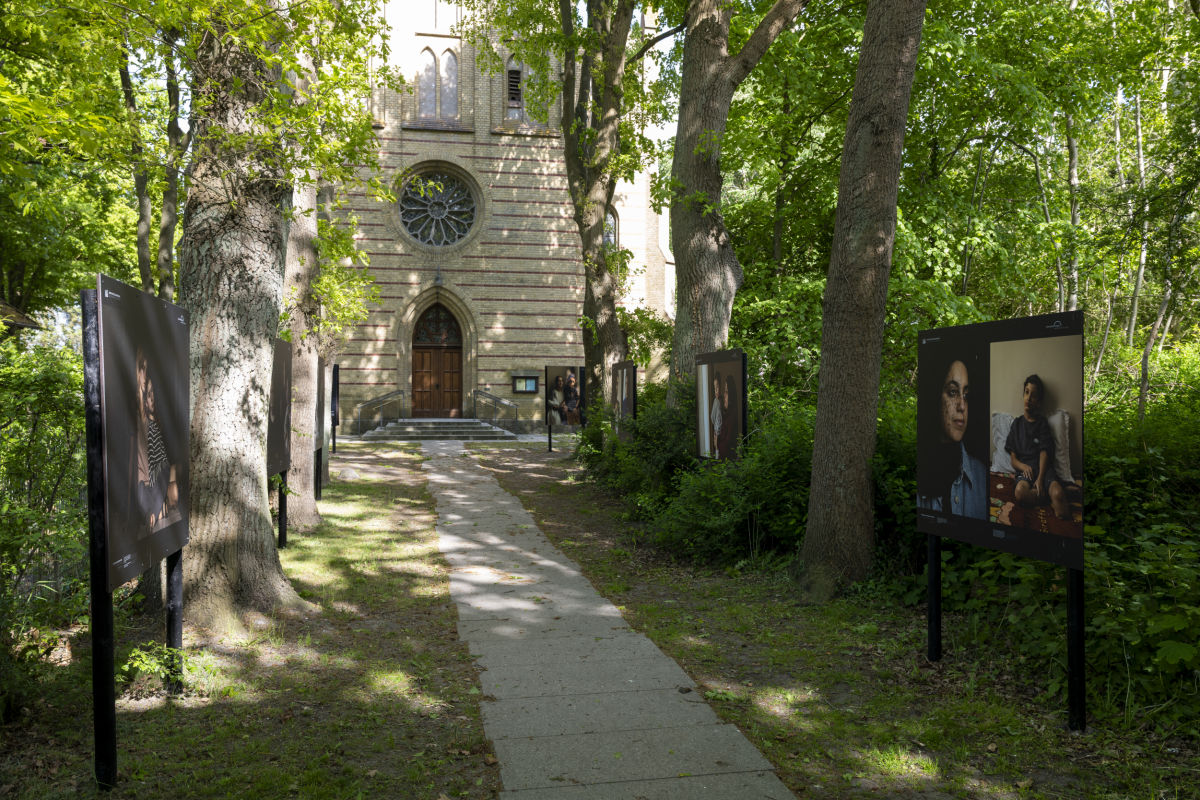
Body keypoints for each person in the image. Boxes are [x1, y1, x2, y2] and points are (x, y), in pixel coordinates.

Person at [916, 354, 987, 518]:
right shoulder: (916, 471)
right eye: (953, 391)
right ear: (936, 397)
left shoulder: (982, 476)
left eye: (966, 395)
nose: (962, 406)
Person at [1007, 374, 1071, 520]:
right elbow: (1013, 459)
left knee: (1058, 498)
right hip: (1026, 471)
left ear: (1039, 402)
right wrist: (1024, 467)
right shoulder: (1016, 425)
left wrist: (1041, 478)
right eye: (1026, 392)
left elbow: (1044, 451)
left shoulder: (1042, 423)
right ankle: (1057, 493)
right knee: (1020, 493)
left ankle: (1058, 492)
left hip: (1044, 470)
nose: (1028, 398)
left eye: (1033, 395)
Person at [135, 346, 179, 532]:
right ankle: (152, 510)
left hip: (154, 479)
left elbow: (160, 460)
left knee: (168, 470)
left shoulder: (152, 423)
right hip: (143, 482)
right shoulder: (139, 418)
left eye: (146, 369)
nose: (144, 375)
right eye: (142, 369)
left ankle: (155, 509)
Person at [717, 373, 738, 460]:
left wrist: (717, 441)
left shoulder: (732, 419)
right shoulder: (726, 415)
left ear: (731, 395)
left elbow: (727, 447)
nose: (724, 395)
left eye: (726, 392)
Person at [709, 370, 723, 458]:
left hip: (719, 434)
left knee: (718, 453)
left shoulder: (719, 401)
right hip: (716, 431)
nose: (716, 390)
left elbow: (719, 418)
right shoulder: (716, 400)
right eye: (714, 388)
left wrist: (716, 434)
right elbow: (713, 417)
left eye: (717, 387)